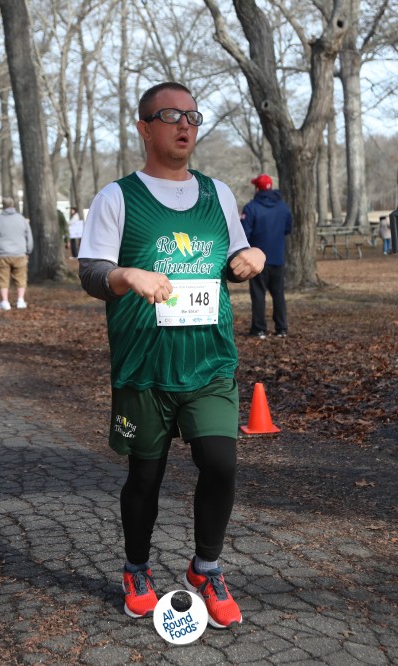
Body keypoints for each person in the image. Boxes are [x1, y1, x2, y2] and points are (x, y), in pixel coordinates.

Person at [77, 81, 265, 628]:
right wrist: (126, 276)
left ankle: (206, 568)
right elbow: (91, 271)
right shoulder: (117, 197)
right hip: (145, 366)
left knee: (221, 464)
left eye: (192, 116)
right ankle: (136, 569)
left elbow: (235, 256)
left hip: (209, 360)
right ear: (144, 128)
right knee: (145, 477)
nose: (185, 125)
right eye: (170, 115)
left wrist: (252, 256)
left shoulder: (217, 193)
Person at [241, 173, 292, 339]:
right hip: (277, 257)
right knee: (278, 294)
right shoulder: (283, 207)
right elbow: (288, 228)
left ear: (257, 188)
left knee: (258, 294)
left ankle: (259, 329)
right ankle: (281, 328)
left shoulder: (251, 208)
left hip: (257, 259)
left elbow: (244, 232)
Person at [0, 196, 34, 310]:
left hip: (2, 254)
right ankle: (20, 300)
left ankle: (5, 302)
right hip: (20, 254)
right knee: (21, 277)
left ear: (3, 205)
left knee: (3, 278)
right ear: (13, 205)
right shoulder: (22, 219)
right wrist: (28, 250)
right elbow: (29, 237)